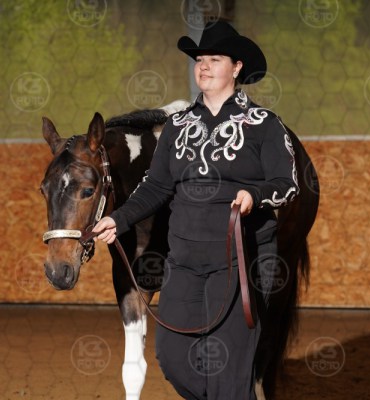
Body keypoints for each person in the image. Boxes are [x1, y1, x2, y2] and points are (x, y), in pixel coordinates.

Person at [94, 20, 299, 400]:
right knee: (173, 359)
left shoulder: (264, 125)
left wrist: (254, 194)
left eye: (214, 59)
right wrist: (117, 218)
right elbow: (155, 186)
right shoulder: (177, 125)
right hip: (184, 261)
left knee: (229, 374)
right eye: (199, 59)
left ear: (236, 67)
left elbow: (286, 185)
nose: (203, 66)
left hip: (238, 260)